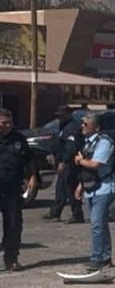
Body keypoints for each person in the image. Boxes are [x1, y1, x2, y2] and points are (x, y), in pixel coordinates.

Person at [74, 114, 115, 273]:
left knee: (97, 223)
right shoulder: (87, 143)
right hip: (92, 188)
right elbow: (87, 170)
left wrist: (79, 160)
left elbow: (95, 164)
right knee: (100, 224)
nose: (82, 127)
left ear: (96, 127)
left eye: (86, 124)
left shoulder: (104, 142)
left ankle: (97, 259)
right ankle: (105, 257)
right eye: (82, 124)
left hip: (105, 187)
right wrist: (80, 186)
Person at [0, 109, 37, 272]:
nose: (8, 126)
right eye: (4, 123)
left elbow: (29, 160)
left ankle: (11, 259)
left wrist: (33, 178)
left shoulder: (19, 139)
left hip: (12, 188)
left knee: (14, 224)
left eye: (10, 123)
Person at [43, 105, 84, 224]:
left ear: (69, 114)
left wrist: (64, 162)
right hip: (62, 161)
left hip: (70, 163)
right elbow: (59, 143)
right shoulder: (63, 126)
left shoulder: (72, 127)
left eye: (62, 115)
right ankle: (55, 212)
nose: (59, 118)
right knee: (61, 187)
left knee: (70, 188)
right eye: (58, 116)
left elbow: (71, 147)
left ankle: (77, 214)